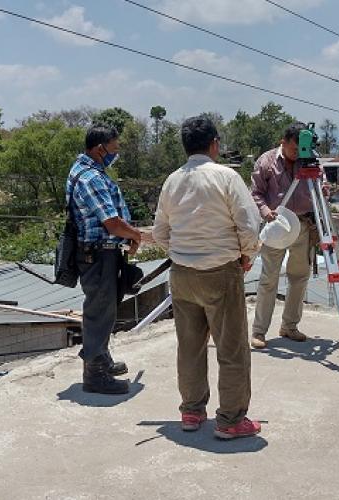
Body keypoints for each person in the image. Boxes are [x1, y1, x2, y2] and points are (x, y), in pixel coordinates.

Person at [153, 116, 262, 439]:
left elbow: (160, 232)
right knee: (232, 349)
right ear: (214, 144)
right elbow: (249, 226)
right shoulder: (226, 177)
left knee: (190, 347)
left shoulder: (172, 181)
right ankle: (231, 420)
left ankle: (191, 410)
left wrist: (182, 252)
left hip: (182, 275)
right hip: (221, 272)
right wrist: (247, 255)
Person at [68, 125, 142, 395]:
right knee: (99, 311)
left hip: (101, 252)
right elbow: (111, 222)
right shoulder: (91, 178)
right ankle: (95, 374)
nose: (116, 153)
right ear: (100, 148)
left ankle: (102, 359)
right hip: (98, 254)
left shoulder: (87, 171)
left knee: (105, 308)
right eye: (114, 147)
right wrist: (136, 235)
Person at [250, 122, 325, 349]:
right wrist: (265, 211)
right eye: (294, 149)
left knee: (299, 277)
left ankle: (290, 326)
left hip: (303, 224)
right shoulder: (267, 161)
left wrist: (323, 190)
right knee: (269, 279)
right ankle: (259, 331)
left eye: (301, 149)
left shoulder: (311, 159)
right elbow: (255, 193)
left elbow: (322, 182)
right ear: (283, 142)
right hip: (277, 224)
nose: (298, 154)